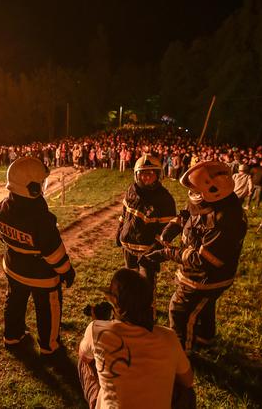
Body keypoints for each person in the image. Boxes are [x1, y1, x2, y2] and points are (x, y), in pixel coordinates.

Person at [142, 161, 248, 352]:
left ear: (214, 190)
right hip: (205, 276)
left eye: (197, 191)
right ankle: (204, 338)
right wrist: (171, 229)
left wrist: (167, 253)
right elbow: (187, 214)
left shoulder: (224, 220)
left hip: (205, 279)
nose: (193, 195)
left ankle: (180, 352)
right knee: (203, 306)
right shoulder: (208, 200)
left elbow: (203, 261)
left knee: (179, 309)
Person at [78, 268, 194, 409]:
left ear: (114, 301)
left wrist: (99, 323)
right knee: (186, 391)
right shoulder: (169, 337)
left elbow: (84, 357)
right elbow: (188, 381)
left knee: (85, 361)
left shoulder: (96, 330)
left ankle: (97, 402)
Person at [0, 156, 76, 356]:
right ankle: (50, 347)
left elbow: (1, 235)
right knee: (48, 310)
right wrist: (67, 271)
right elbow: (54, 252)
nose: (42, 187)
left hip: (13, 268)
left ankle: (12, 337)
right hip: (42, 277)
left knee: (14, 303)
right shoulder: (42, 219)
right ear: (30, 188)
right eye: (40, 183)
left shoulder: (3, 207)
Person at [116, 155, 176, 316]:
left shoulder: (165, 199)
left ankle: (148, 316)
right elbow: (125, 213)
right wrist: (120, 230)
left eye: (151, 173)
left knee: (146, 286)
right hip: (128, 248)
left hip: (148, 253)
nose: (147, 176)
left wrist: (155, 251)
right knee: (129, 283)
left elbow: (167, 231)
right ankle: (130, 312)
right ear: (136, 175)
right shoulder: (132, 190)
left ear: (158, 175)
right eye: (143, 173)